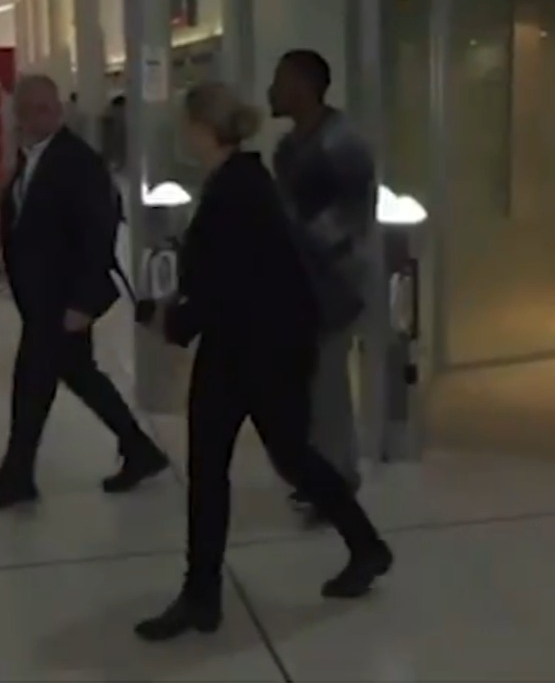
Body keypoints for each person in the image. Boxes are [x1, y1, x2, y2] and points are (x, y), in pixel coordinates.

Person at [134, 82, 392, 643]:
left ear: (204, 128)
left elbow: (224, 285)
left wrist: (171, 323)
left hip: (255, 351)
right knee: (240, 463)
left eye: (187, 124)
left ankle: (362, 548)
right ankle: (204, 591)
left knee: (277, 459)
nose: (183, 133)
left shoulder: (237, 190)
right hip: (254, 347)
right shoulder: (241, 179)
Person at [0, 74, 168, 513]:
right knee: (78, 374)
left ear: (58, 110)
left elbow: (98, 234)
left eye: (45, 107)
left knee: (31, 384)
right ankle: (139, 449)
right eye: (28, 109)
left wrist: (83, 303)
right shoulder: (31, 157)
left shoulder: (76, 161)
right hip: (42, 296)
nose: (37, 116)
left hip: (62, 301)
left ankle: (17, 475)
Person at [268, 50, 374, 511]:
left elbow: (353, 214)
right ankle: (318, 473)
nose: (272, 90)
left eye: (280, 80)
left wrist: (304, 245)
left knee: (329, 384)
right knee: (308, 383)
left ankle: (338, 479)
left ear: (304, 86)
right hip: (301, 281)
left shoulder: (341, 141)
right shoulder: (289, 148)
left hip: (334, 282)